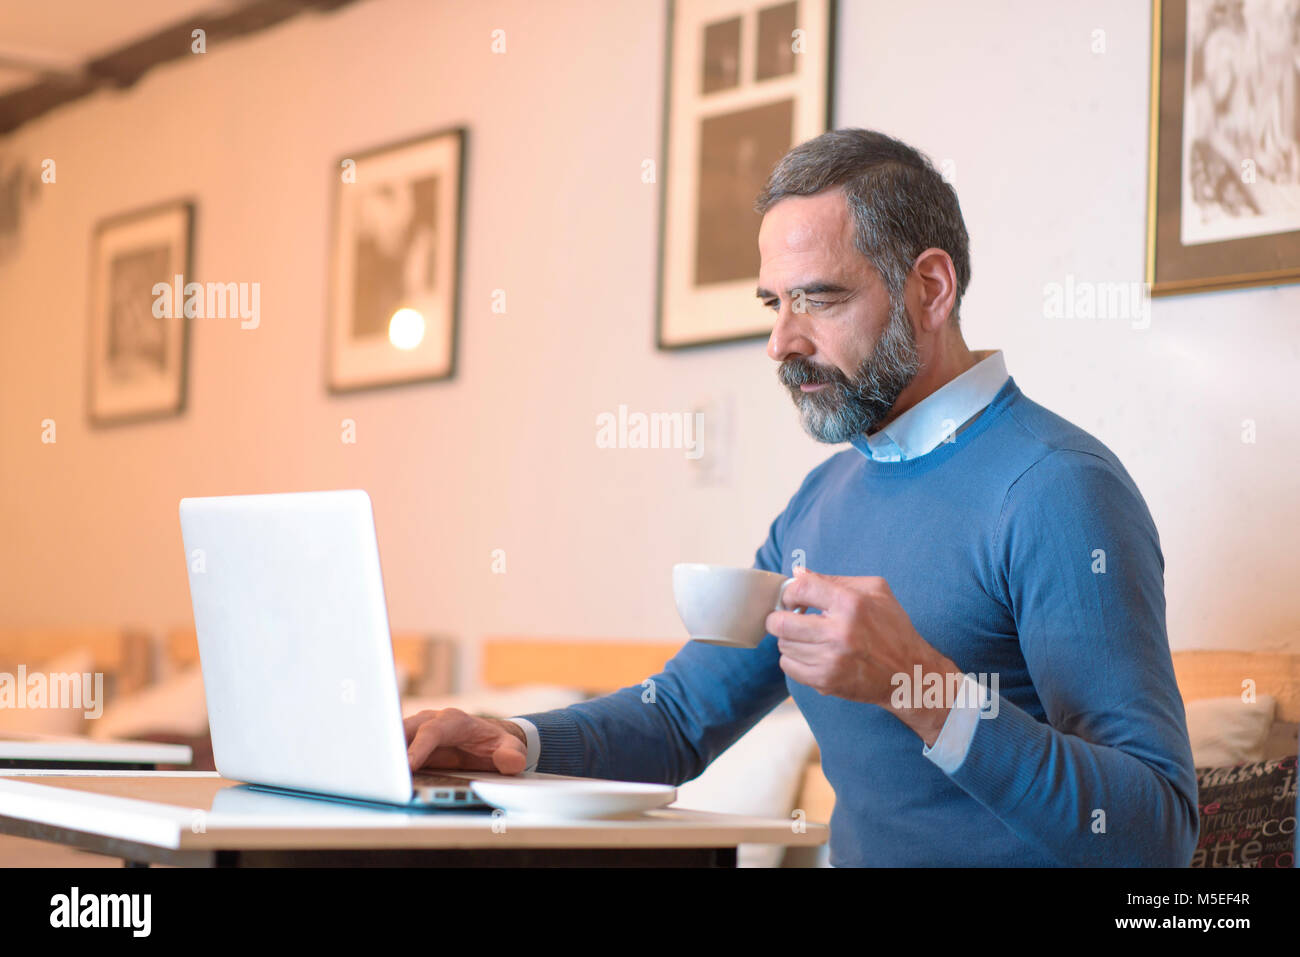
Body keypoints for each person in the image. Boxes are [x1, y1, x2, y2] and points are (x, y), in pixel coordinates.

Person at [403, 128, 1199, 867]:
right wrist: (510, 740)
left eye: (817, 299)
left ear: (930, 288)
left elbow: (1156, 831)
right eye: (773, 304)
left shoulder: (1057, 488)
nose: (783, 341)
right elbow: (680, 716)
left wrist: (919, 687)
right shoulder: (823, 497)